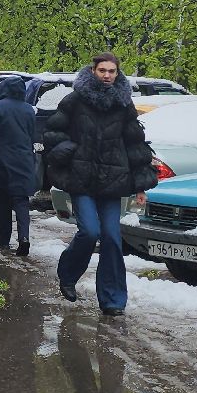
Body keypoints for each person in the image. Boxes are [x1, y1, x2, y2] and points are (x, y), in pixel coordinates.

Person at [42, 54, 159, 315]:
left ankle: (112, 300)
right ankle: (68, 274)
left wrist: (140, 185)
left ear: (117, 74)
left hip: (113, 181)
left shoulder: (123, 103)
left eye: (112, 71)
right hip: (82, 179)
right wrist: (69, 150)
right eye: (102, 70)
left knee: (112, 238)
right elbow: (52, 132)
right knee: (89, 232)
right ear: (93, 71)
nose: (107, 75)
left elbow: (135, 143)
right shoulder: (75, 100)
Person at [0, 74, 39, 255]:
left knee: (3, 199)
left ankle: (3, 240)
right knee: (21, 201)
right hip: (24, 160)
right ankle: (24, 238)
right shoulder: (29, 109)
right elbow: (32, 136)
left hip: (1, 161)